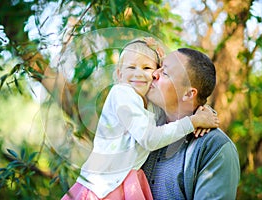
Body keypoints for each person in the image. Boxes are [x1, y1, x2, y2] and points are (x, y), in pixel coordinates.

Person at [60, 38, 219, 199]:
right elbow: (149, 138)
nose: (138, 73)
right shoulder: (121, 94)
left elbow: (180, 99)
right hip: (102, 187)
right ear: (119, 74)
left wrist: (203, 110)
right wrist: (193, 122)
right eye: (131, 67)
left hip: (125, 182)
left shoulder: (150, 104)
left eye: (147, 67)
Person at [141, 48, 240, 199]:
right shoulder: (143, 128)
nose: (154, 74)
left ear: (188, 94)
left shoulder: (215, 148)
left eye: (165, 73)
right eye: (158, 68)